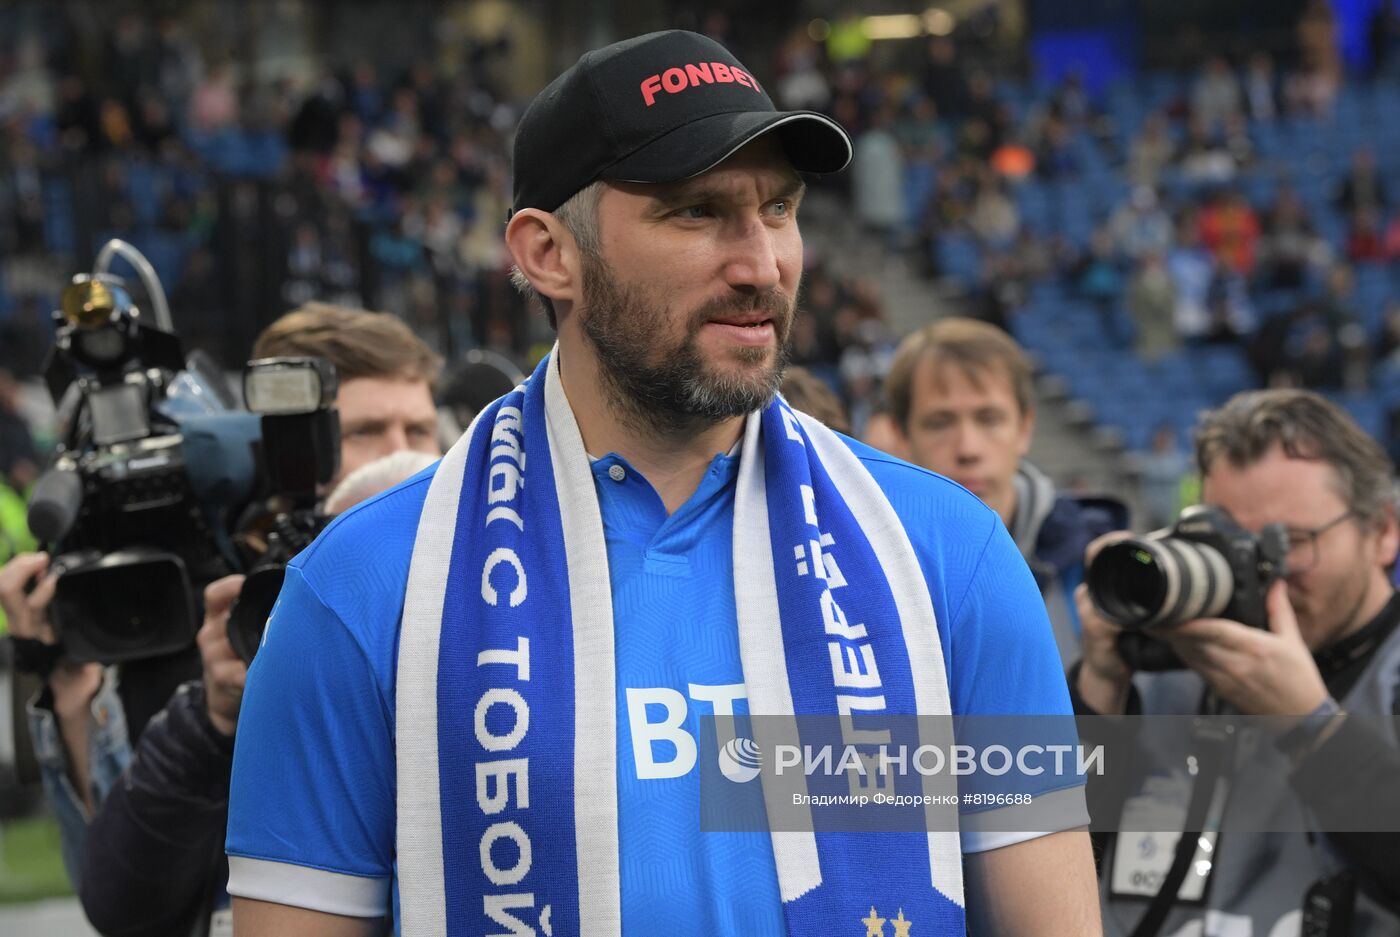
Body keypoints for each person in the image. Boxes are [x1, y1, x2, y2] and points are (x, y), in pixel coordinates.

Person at [226, 30, 1100, 937]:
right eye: (697, 212)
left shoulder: (950, 555)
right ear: (547, 253)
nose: (761, 264)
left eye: (779, 207)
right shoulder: (358, 590)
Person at [0, 302, 443, 936]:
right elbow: (126, 907)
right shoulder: (218, 624)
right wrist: (212, 719)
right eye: (365, 432)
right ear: (285, 447)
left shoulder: (496, 588)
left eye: (420, 430)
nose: (401, 456)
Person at [1073, 389, 1400, 935]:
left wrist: (1313, 729)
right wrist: (1098, 690)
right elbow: (1025, 853)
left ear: (1383, 531)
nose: (1258, 572)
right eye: (1229, 544)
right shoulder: (1164, 667)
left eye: (1288, 542)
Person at [884, 317, 1127, 663]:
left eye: (989, 419)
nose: (968, 448)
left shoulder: (1096, 567)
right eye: (939, 423)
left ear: (1025, 428)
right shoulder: (866, 570)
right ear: (901, 436)